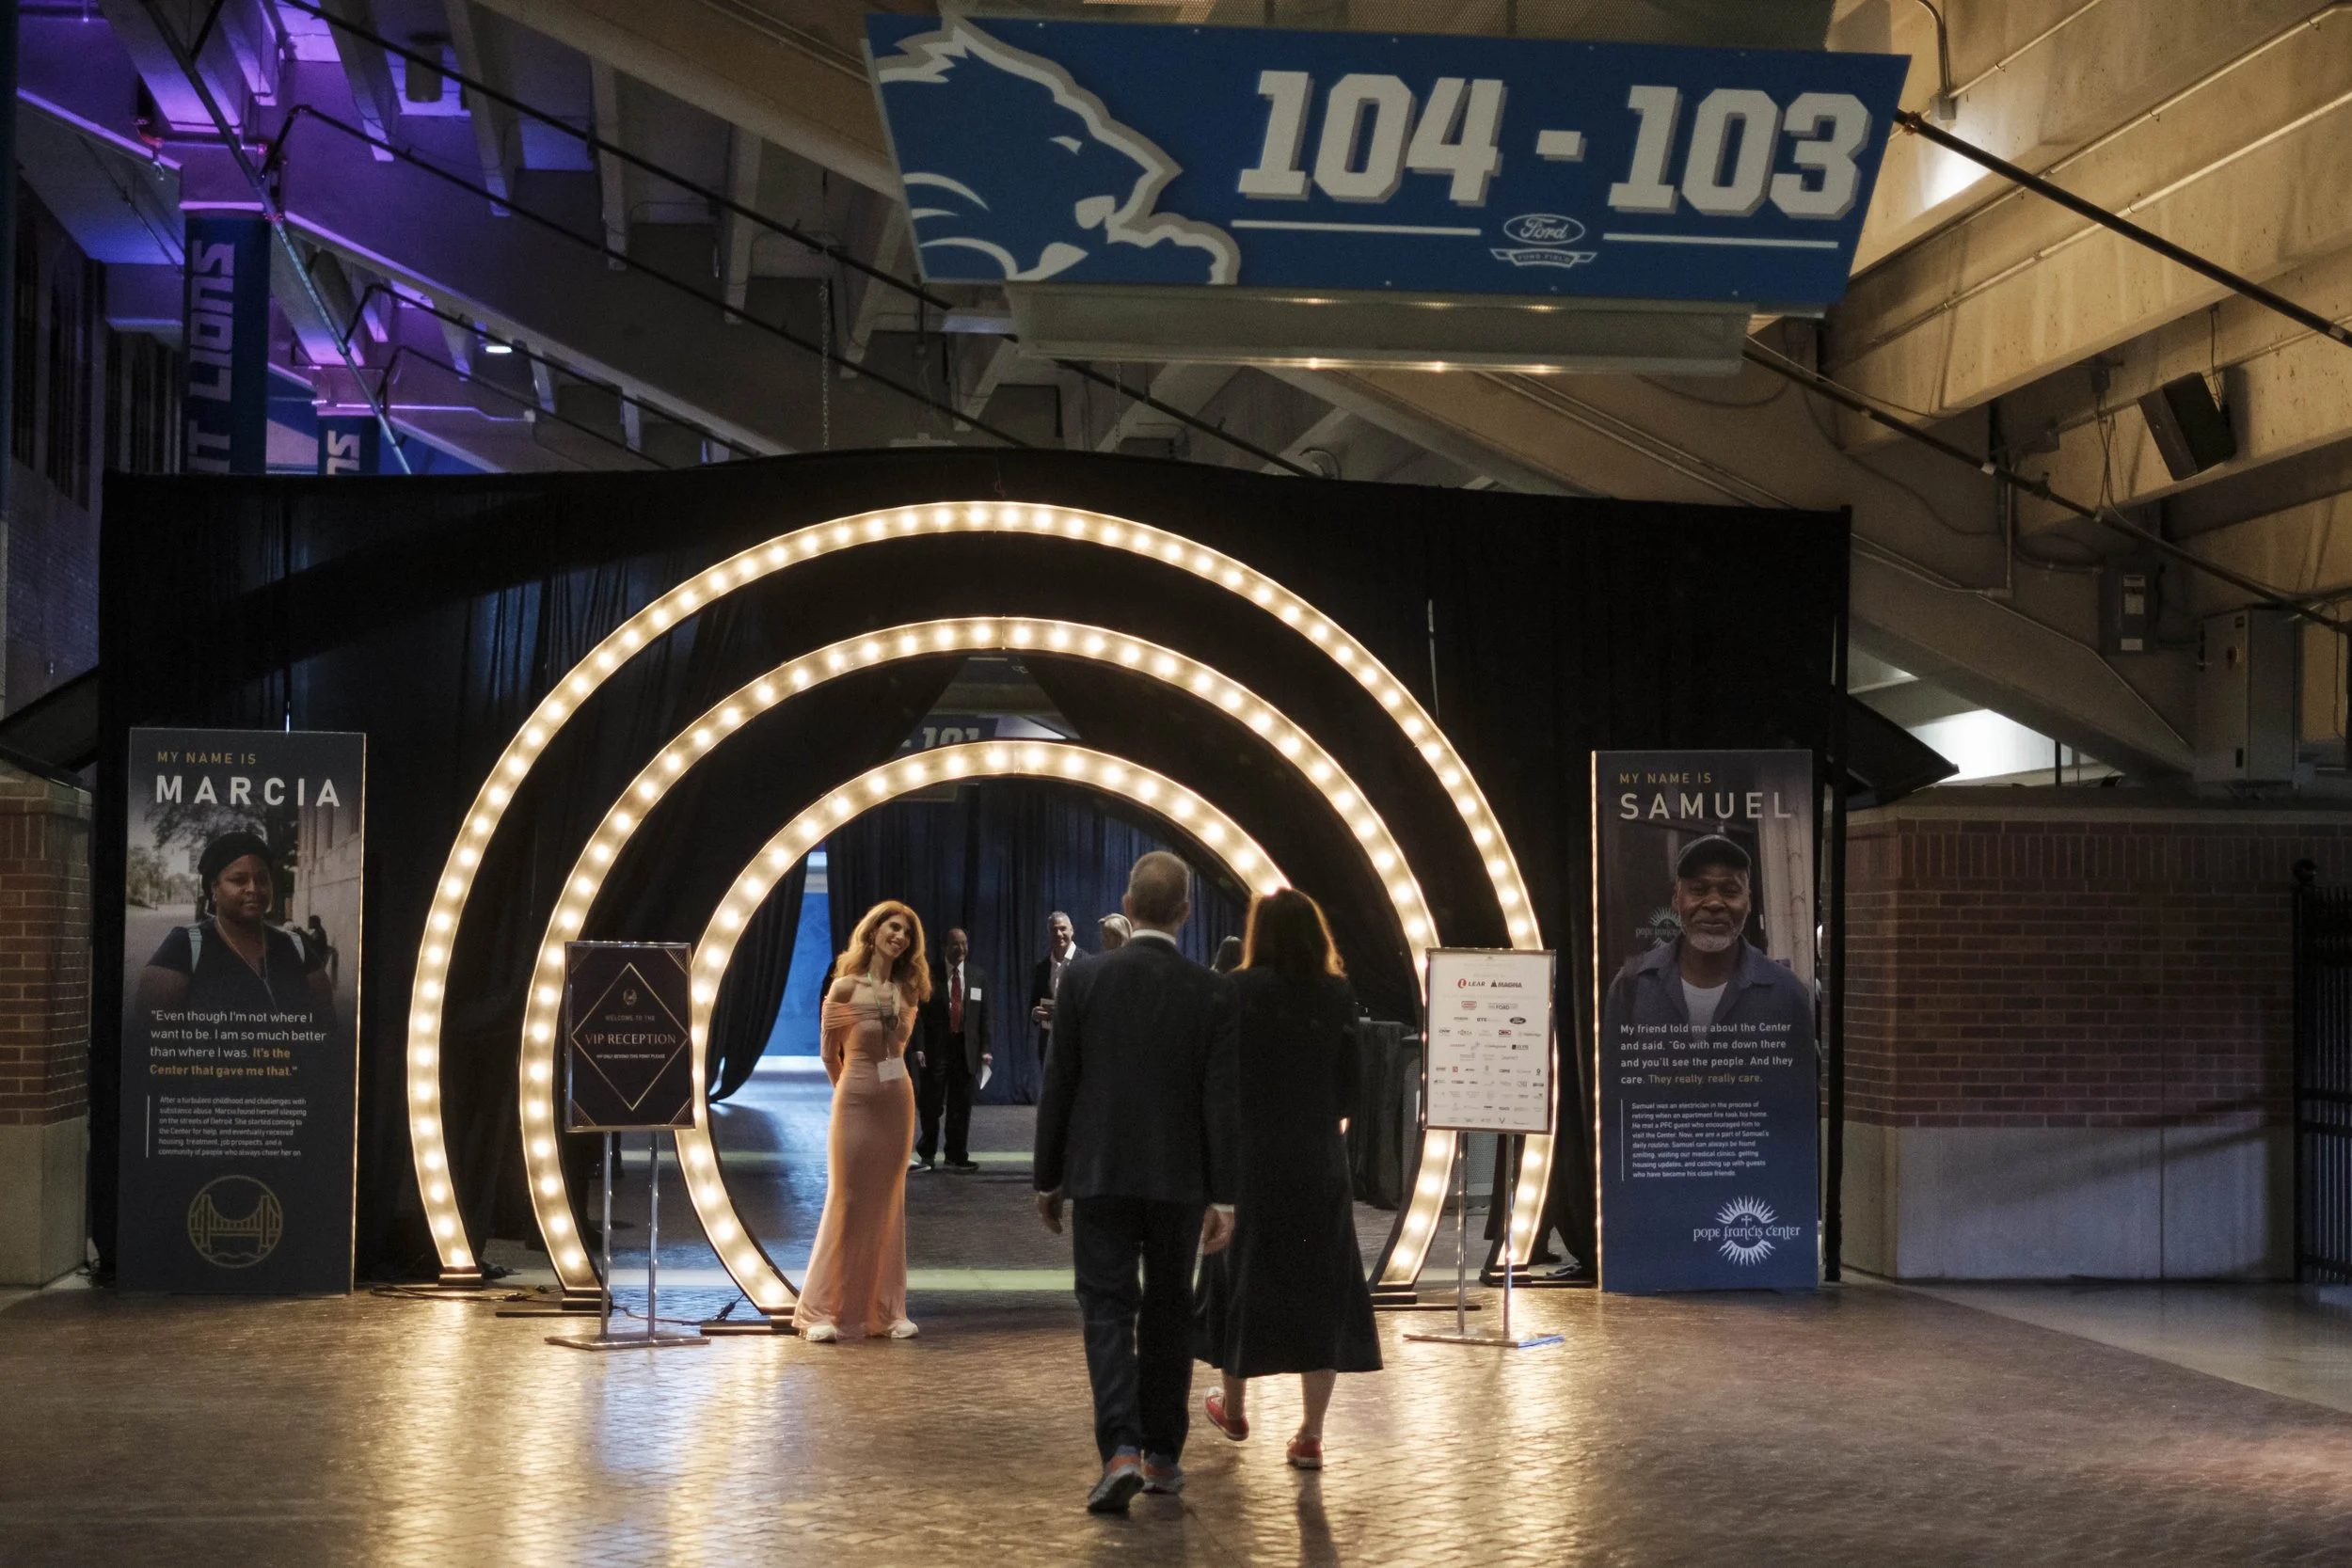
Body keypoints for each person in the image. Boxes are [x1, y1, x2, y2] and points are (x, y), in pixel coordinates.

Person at [1034, 852, 1237, 1513]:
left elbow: (1060, 1084)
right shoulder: (1209, 990)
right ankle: (1162, 1456)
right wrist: (1223, 1193)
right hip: (1180, 1181)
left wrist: (1048, 1177)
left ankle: (1119, 1448)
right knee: (1170, 1311)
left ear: (1128, 903)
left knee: (1106, 1308)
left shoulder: (1084, 979)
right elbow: (1219, 1099)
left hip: (1100, 1175)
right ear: (1186, 911)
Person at [1194, 889, 1381, 1471]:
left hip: (1251, 1161)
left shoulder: (1235, 989)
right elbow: (1352, 1090)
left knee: (1239, 1280)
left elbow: (1218, 1081)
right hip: (1317, 1162)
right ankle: (1311, 1434)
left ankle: (1235, 1410)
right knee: (1321, 1288)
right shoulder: (1336, 993)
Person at [794, 900, 932, 1343]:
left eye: (907, 933)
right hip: (854, 1100)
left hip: (897, 1103)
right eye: (894, 928)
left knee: (890, 1202)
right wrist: (849, 1092)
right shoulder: (844, 989)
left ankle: (887, 1311)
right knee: (848, 1198)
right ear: (872, 932)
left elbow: (899, 1050)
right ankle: (819, 1310)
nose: (900, 937)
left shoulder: (908, 992)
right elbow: (827, 1054)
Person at [1599, 834, 1812, 1041]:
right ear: (1676, 899)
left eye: (1730, 891)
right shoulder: (1630, 986)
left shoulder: (1788, 991)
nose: (1714, 903)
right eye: (1698, 890)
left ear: (1748, 902)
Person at [135, 832, 335, 1028]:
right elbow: (149, 1037)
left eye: (262, 880)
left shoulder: (295, 946)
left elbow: (327, 1028)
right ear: (214, 889)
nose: (253, 888)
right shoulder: (184, 947)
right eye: (239, 880)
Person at [913, 927, 991, 1174]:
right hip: (936, 1049)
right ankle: (927, 1153)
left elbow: (984, 1016)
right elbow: (918, 1015)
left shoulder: (978, 976)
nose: (961, 948)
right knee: (931, 1103)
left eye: (964, 943)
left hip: (965, 1049)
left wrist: (986, 1049)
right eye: (956, 944)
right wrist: (919, 1047)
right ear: (944, 947)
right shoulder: (929, 975)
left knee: (961, 1105)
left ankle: (956, 1155)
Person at [1027, 910, 1084, 1085]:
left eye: (1063, 928)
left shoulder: (1087, 963)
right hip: (1049, 1045)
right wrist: (1034, 1014)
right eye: (1054, 929)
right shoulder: (1042, 968)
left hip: (1078, 1043)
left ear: (1072, 930)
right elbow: (1033, 1004)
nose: (1059, 933)